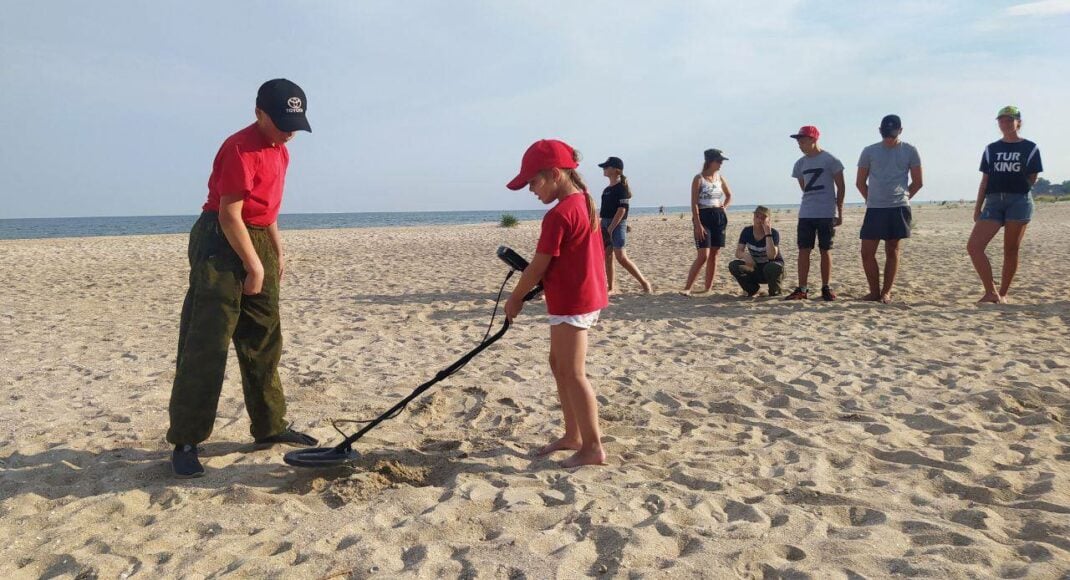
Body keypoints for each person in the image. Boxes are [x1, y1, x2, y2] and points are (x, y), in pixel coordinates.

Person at [167, 79, 318, 478]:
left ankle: (270, 427)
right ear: (259, 113)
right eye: (283, 122)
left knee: (265, 338)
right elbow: (228, 215)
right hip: (220, 241)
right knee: (208, 341)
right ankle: (185, 440)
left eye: (295, 123)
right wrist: (254, 265)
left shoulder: (281, 151)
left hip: (257, 238)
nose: (290, 132)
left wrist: (276, 253)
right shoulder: (239, 147)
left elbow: (266, 211)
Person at [504, 139, 610, 468]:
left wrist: (515, 299)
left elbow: (538, 265)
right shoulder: (584, 202)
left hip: (575, 301)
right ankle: (573, 434)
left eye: (533, 182)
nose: (531, 190)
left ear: (554, 174)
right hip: (576, 296)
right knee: (558, 365)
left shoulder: (560, 214)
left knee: (573, 372)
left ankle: (592, 447)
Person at [967, 106, 1043, 304]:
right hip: (993, 201)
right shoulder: (991, 149)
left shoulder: (1030, 148)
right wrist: (978, 207)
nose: (1005, 123)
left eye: (1009, 120)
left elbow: (1032, 177)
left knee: (1010, 249)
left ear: (1018, 122)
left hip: (1019, 201)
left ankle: (1003, 292)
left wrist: (1017, 189)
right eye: (1001, 120)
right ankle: (990, 291)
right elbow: (985, 179)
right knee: (974, 246)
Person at [856, 114, 923, 303]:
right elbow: (860, 182)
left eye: (893, 133)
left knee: (892, 250)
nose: (889, 137)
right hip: (875, 208)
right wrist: (871, 199)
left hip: (898, 207)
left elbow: (918, 182)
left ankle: (886, 292)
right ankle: (874, 291)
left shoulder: (910, 150)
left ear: (900, 130)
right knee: (867, 252)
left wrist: (904, 197)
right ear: (880, 131)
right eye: (886, 133)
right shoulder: (869, 151)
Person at [786, 125, 845, 301]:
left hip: (826, 211)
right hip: (806, 212)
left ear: (813, 139)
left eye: (802, 140)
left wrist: (839, 211)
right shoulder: (800, 164)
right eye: (798, 141)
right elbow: (804, 188)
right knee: (804, 249)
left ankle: (826, 287)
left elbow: (840, 187)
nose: (800, 144)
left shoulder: (830, 160)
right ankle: (802, 288)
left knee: (825, 249)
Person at [681, 149, 733, 296]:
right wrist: (697, 223)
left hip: (718, 215)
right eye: (719, 161)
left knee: (714, 254)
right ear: (710, 161)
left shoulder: (720, 178)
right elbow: (694, 202)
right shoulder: (699, 178)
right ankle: (687, 287)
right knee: (703, 254)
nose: (721, 163)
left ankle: (708, 288)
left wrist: (725, 206)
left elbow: (729, 195)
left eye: (722, 161)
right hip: (703, 216)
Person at [597, 156, 652, 294]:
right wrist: (602, 226)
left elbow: (622, 210)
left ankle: (644, 283)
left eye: (606, 166)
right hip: (605, 223)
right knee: (607, 257)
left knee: (621, 257)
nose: (604, 169)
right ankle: (611, 287)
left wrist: (611, 228)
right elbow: (604, 211)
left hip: (617, 223)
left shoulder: (622, 188)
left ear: (616, 170)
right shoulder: (606, 190)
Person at [728, 206, 784, 297]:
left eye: (763, 217)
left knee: (772, 267)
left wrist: (768, 233)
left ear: (769, 219)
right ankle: (753, 289)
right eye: (757, 216)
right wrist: (745, 255)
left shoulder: (773, 233)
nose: (759, 220)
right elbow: (738, 253)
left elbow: (771, 256)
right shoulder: (747, 231)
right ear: (753, 217)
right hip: (755, 268)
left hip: (773, 270)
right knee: (734, 265)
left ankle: (775, 291)